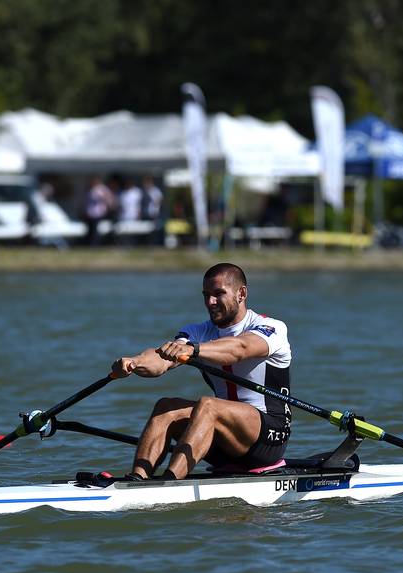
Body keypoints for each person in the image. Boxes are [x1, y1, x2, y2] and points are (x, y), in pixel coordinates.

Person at [111, 263, 292, 480]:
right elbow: (162, 359)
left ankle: (170, 482)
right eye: (206, 295)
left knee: (208, 405)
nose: (210, 302)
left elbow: (239, 349)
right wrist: (135, 362)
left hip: (268, 438)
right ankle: (137, 480)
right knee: (166, 407)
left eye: (218, 294)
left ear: (241, 293)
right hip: (224, 439)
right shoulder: (198, 331)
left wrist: (193, 349)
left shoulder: (271, 328)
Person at [83, 176, 115, 246]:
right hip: (90, 213)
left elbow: (109, 199)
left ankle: (95, 244)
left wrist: (109, 206)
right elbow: (86, 201)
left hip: (98, 213)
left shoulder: (102, 189)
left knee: (95, 230)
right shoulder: (90, 189)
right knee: (90, 230)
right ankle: (89, 243)